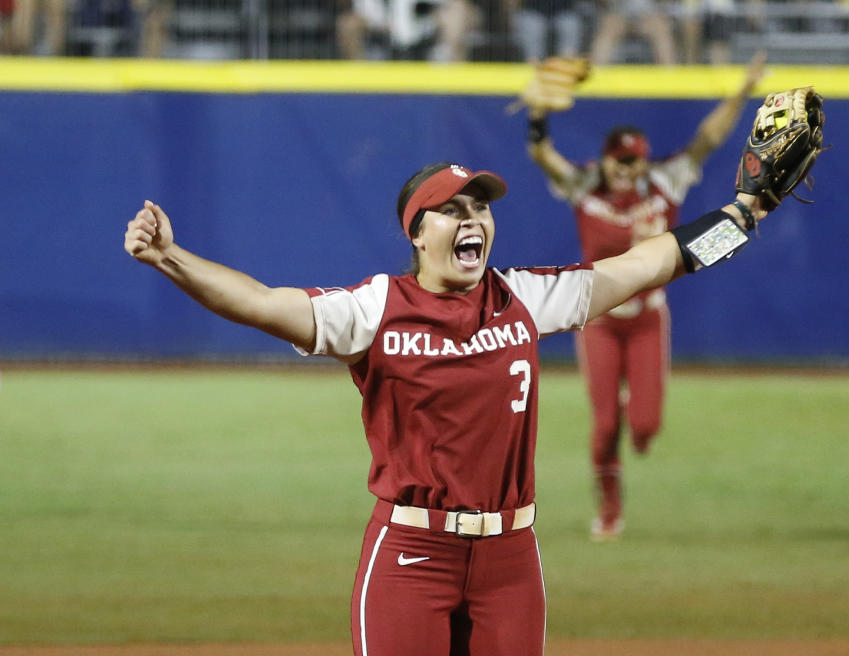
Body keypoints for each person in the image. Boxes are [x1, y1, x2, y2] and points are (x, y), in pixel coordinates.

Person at [124, 156, 774, 654]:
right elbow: (262, 303)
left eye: (481, 207)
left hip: (511, 560)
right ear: (417, 232)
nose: (473, 219)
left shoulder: (522, 297)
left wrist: (745, 212)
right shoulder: (375, 309)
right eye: (451, 209)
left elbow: (649, 264)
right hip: (412, 556)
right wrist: (169, 257)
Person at [525, 50, 767, 541]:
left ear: (643, 159)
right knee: (604, 422)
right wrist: (536, 116)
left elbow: (708, 139)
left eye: (633, 160)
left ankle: (638, 433)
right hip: (596, 315)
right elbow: (542, 155)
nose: (626, 170)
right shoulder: (584, 184)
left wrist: (742, 91)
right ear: (606, 159)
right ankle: (610, 507)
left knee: (645, 425)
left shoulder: (663, 180)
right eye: (619, 161)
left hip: (647, 317)